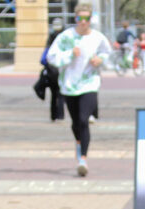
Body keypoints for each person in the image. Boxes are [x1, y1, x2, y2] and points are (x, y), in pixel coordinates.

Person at [47, 4, 111, 177]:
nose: (83, 22)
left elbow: (108, 52)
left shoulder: (98, 37)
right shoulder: (66, 37)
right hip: (69, 85)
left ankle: (83, 158)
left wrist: (100, 59)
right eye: (79, 18)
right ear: (75, 19)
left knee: (84, 119)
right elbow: (51, 57)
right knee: (76, 122)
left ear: (91, 20)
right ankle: (78, 143)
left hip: (89, 83)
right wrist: (69, 54)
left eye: (87, 19)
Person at [35, 17, 66, 121]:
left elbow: (46, 53)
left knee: (55, 94)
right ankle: (59, 115)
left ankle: (55, 115)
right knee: (59, 93)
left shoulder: (54, 36)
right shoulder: (63, 36)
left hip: (54, 68)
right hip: (57, 68)